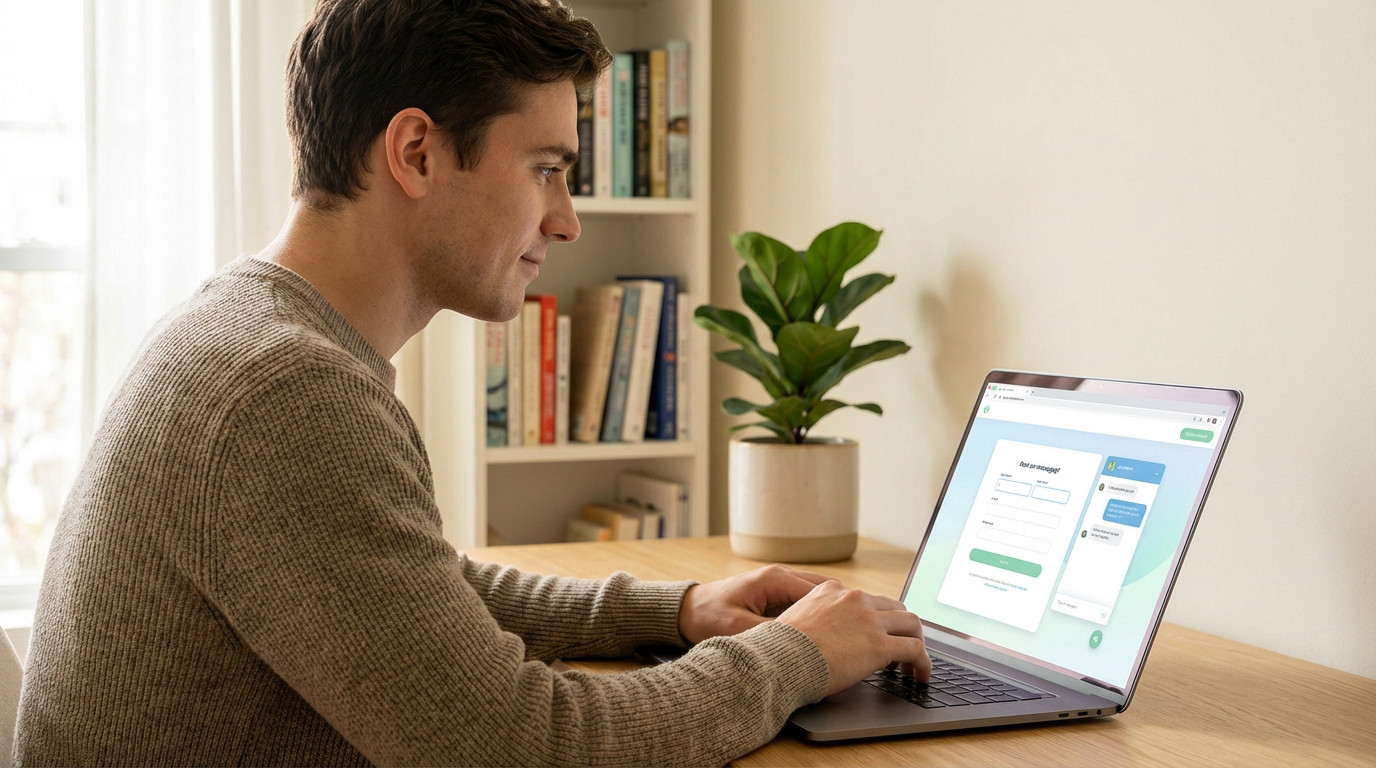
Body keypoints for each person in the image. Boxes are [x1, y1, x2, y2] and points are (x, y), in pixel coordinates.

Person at [13, 0, 930, 764]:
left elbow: (417, 596)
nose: (566, 222)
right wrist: (795, 656)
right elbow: (523, 747)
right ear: (415, 152)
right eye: (546, 170)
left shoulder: (249, 331)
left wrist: (677, 609)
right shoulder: (284, 392)